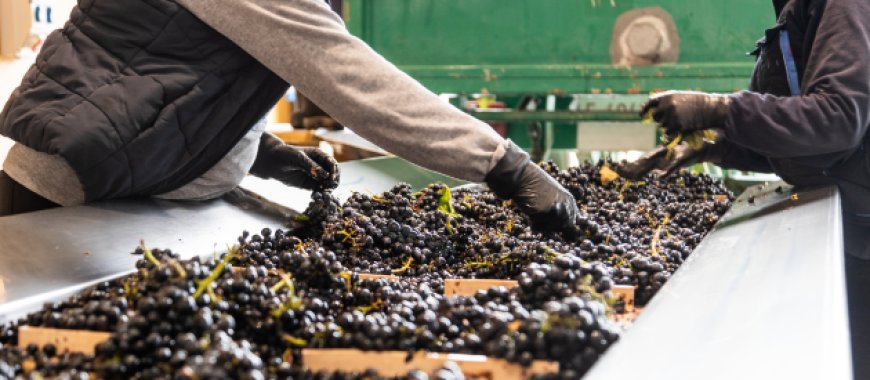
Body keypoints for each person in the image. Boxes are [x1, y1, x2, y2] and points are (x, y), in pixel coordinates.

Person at [0, 0, 578, 232]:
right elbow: (346, 77)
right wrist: (501, 163)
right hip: (69, 204)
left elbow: (165, 69)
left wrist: (253, 150)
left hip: (119, 190)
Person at [616, 0, 870, 380]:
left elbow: (838, 118)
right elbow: (796, 133)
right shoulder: (799, 8)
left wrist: (721, 110)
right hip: (851, 218)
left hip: (862, 224)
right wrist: (713, 146)